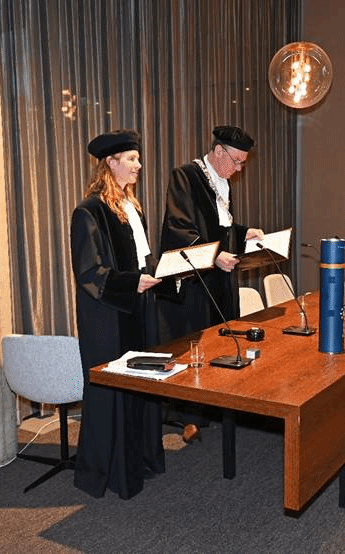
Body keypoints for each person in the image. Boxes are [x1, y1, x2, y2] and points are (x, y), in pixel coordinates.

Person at [70, 129, 166, 499]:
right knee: (111, 394)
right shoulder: (88, 211)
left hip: (136, 307)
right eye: (132, 159)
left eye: (138, 159)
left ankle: (139, 460)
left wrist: (162, 275)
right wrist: (131, 283)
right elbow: (89, 273)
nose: (139, 165)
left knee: (141, 385)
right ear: (111, 163)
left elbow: (142, 260)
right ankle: (108, 473)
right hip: (108, 318)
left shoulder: (131, 207)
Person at [158, 125, 264, 342]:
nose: (239, 169)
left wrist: (244, 233)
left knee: (227, 340)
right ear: (219, 151)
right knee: (203, 343)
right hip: (197, 283)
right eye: (236, 161)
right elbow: (179, 228)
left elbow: (220, 227)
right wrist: (214, 255)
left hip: (222, 280)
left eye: (242, 163)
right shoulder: (186, 176)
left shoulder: (223, 182)